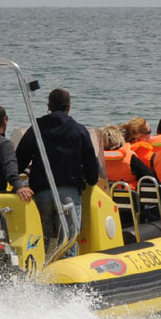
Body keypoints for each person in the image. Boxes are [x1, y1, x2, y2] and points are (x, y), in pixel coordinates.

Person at [15, 88, 99, 257]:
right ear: (68, 107)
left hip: (41, 191)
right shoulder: (79, 130)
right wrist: (92, 180)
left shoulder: (36, 128)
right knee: (67, 240)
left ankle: (38, 273)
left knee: (40, 240)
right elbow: (90, 163)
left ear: (49, 106)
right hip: (68, 192)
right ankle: (67, 279)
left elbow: (19, 159)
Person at [101, 124, 156, 190]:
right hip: (129, 197)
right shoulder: (130, 157)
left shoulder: (98, 159)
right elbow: (150, 179)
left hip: (105, 197)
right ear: (120, 139)